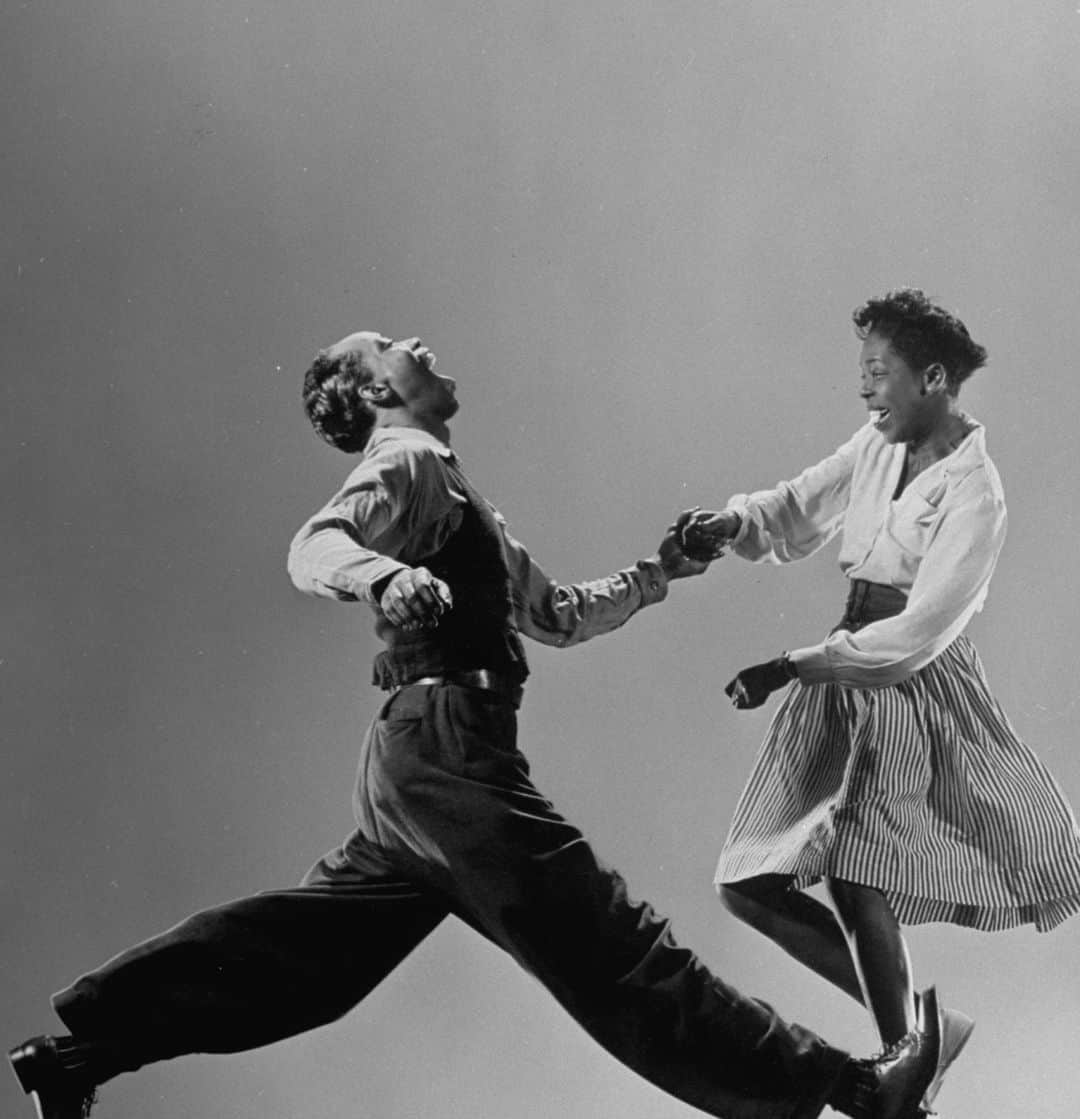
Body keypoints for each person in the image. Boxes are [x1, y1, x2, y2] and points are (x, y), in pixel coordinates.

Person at [8, 329, 942, 1119]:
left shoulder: (459, 500)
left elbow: (558, 613)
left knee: (304, 963)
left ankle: (78, 1055)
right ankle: (858, 1088)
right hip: (448, 750)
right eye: (393, 345)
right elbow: (315, 545)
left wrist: (661, 573)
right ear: (377, 389)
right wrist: (386, 576)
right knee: (612, 946)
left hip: (418, 763)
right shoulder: (403, 462)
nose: (417, 344)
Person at [680, 288, 1080, 1113]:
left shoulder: (977, 492)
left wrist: (789, 666)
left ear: (932, 377)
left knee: (857, 871)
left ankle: (910, 1062)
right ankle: (918, 1043)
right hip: (841, 668)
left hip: (906, 683)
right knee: (750, 880)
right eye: (861, 372)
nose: (864, 391)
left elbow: (920, 633)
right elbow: (798, 506)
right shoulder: (875, 445)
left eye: (877, 372)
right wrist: (729, 526)